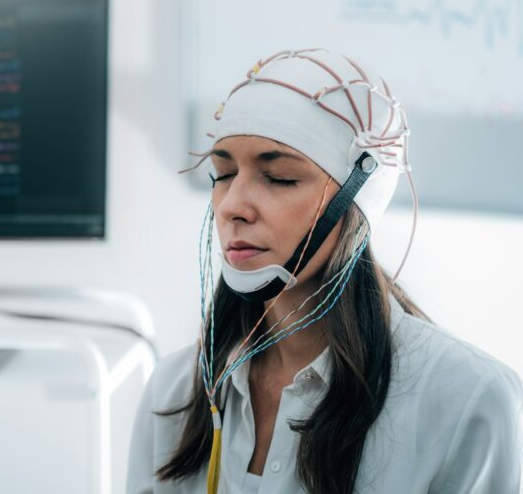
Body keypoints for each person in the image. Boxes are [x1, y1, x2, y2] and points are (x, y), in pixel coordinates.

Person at [126, 49, 523, 494]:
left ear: (356, 195)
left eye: (278, 178)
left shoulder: (469, 399)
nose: (232, 207)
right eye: (223, 173)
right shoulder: (173, 390)